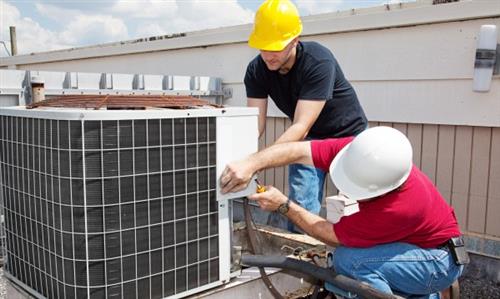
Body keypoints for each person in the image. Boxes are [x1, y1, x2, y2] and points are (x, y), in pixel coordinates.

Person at [220, 126, 466, 298]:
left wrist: (284, 205)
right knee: (353, 264)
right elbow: (297, 150)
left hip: (438, 262)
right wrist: (251, 162)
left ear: (382, 190)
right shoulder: (362, 152)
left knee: (350, 261)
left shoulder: (400, 207)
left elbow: (330, 234)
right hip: (419, 247)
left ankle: (424, 289)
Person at [245, 0, 367, 229]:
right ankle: (300, 259)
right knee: (300, 206)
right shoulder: (256, 70)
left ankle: (351, 260)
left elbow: (301, 125)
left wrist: (256, 162)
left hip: (349, 137)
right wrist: (242, 158)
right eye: (263, 47)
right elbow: (256, 124)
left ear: (295, 40)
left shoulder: (318, 60)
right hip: (309, 141)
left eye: (277, 47)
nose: (268, 55)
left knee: (356, 208)